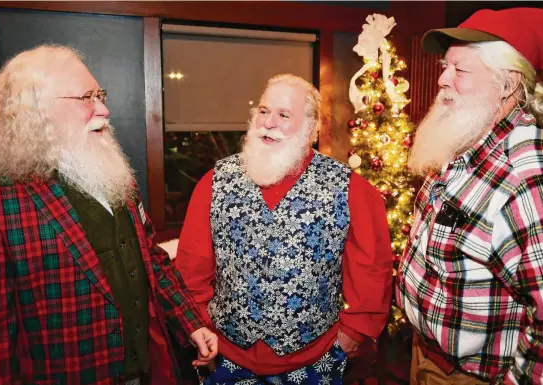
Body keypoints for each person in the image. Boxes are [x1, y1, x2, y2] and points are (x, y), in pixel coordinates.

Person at [0, 45, 218, 385]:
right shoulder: (2, 197)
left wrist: (192, 322)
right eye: (87, 97)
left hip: (146, 370)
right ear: (38, 111)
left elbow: (151, 260)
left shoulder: (112, 172)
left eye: (100, 94)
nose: (104, 109)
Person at [175, 74, 394, 384]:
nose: (269, 123)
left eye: (283, 114)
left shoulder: (348, 189)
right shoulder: (216, 182)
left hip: (314, 357)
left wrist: (354, 333)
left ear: (311, 125)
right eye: (264, 111)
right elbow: (191, 266)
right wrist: (197, 324)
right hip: (228, 354)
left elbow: (372, 269)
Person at [396, 7, 543, 385]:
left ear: (507, 84)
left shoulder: (524, 178)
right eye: (446, 66)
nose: (443, 79)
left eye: (460, 70)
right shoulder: (465, 138)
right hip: (423, 356)